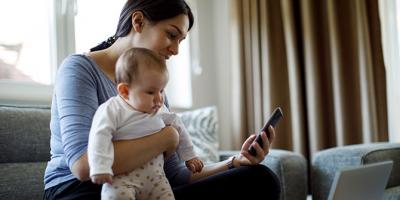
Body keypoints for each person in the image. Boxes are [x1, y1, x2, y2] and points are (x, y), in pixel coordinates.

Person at [43, 0, 281, 199]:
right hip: (81, 190)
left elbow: (177, 175)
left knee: (259, 178)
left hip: (146, 186)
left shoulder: (153, 91)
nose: (175, 50)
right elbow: (83, 166)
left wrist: (234, 162)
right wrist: (167, 137)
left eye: (181, 40)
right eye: (171, 35)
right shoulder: (79, 69)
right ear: (138, 22)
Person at [88, 47, 203, 200]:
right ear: (124, 91)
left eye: (161, 91)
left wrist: (190, 156)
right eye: (150, 92)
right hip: (122, 180)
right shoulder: (112, 109)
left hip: (156, 179)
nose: (159, 98)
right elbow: (99, 136)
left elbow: (178, 126)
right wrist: (100, 167)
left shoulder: (159, 109)